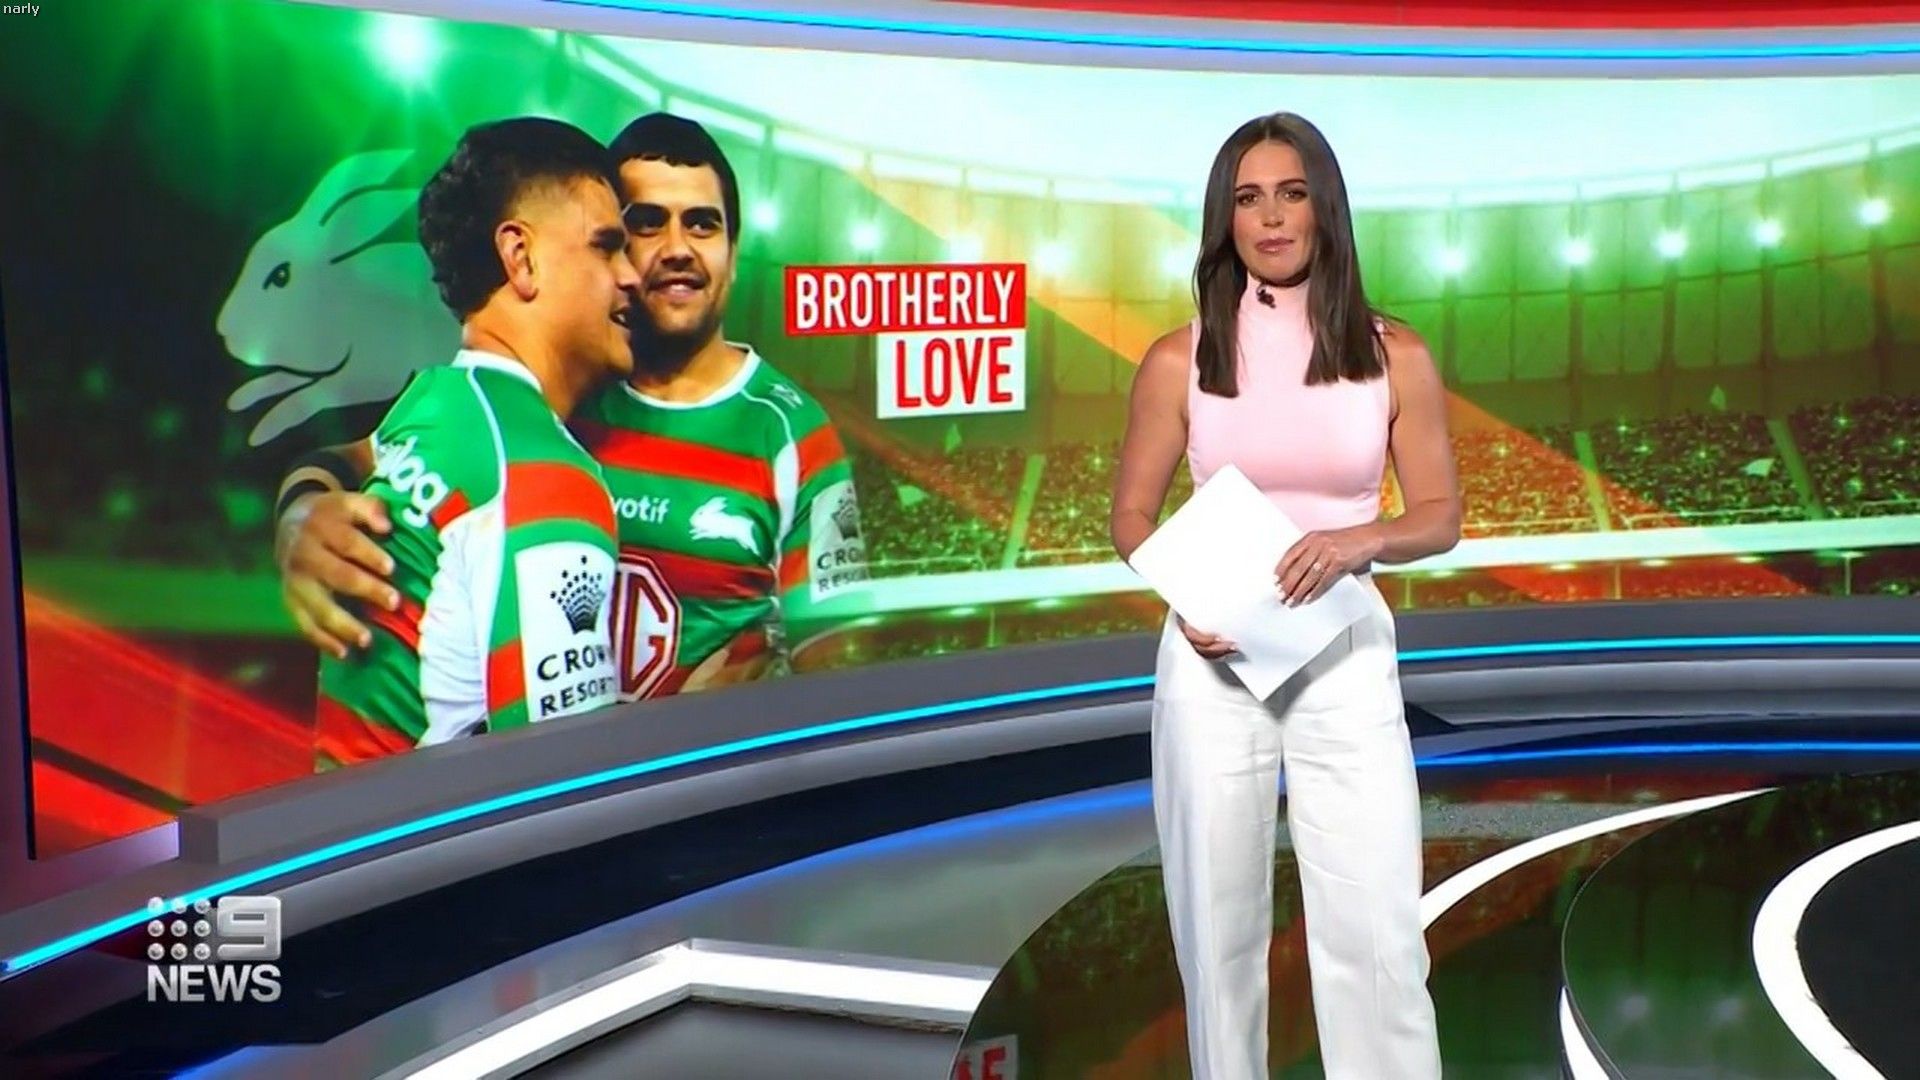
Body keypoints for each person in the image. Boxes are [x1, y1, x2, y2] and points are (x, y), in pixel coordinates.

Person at [276, 113, 866, 704]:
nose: (677, 249)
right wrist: (301, 514)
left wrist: (745, 715)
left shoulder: (793, 434)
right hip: (570, 749)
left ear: (734, 256)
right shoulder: (550, 395)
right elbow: (361, 459)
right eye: (643, 225)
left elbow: (838, 672)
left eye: (702, 224)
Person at [1109, 112, 1460, 1078]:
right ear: (1224, 219)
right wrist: (1186, 593)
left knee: (1378, 931)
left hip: (1344, 654)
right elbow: (1131, 516)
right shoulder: (1179, 360)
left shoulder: (1396, 354)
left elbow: (1440, 516)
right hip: (1212, 660)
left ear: (1323, 208)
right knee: (1215, 931)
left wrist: (1361, 540)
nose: (1270, 217)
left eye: (1291, 193)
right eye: (1248, 197)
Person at [310, 117, 641, 768]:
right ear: (521, 257)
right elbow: (565, 785)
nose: (631, 276)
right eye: (607, 247)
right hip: (416, 832)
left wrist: (302, 494)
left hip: (350, 817)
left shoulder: (433, 401)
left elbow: (341, 461)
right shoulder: (543, 476)